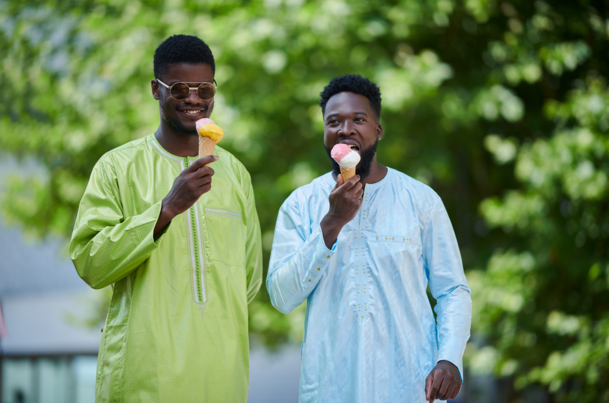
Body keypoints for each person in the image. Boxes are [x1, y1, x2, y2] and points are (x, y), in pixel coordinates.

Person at [70, 35, 263, 402]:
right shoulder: (117, 167)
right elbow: (91, 262)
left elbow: (248, 279)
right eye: (179, 89)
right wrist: (166, 210)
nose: (193, 99)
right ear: (156, 90)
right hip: (145, 377)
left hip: (222, 377)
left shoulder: (235, 173)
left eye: (204, 89)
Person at [267, 74, 472, 403]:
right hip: (330, 388)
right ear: (325, 132)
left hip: (411, 387)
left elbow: (452, 290)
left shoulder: (421, 200)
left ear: (377, 131)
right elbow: (281, 296)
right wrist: (332, 223)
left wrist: (449, 357)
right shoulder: (300, 203)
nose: (346, 129)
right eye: (334, 121)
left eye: (358, 119)